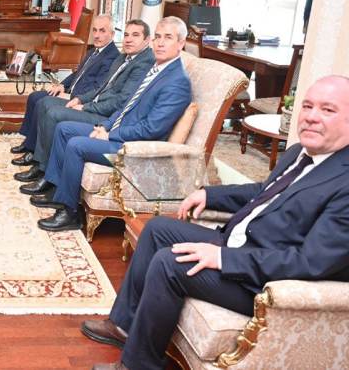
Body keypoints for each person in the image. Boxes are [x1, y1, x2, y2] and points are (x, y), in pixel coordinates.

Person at [84, 75, 349, 370]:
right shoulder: (299, 153)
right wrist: (209, 195)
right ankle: (123, 326)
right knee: (158, 229)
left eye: (328, 110)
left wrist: (223, 257)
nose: (311, 116)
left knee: (170, 263)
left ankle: (138, 365)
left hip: (262, 280)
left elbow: (310, 262)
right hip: (240, 244)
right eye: (308, 106)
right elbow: (264, 192)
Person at [25, 17, 192, 232]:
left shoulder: (177, 81)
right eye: (158, 37)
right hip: (119, 131)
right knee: (64, 129)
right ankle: (57, 191)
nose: (160, 43)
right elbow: (127, 105)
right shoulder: (157, 69)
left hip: (135, 147)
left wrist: (111, 135)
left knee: (76, 145)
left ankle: (70, 213)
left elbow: (152, 129)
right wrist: (106, 125)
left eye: (168, 38)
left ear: (181, 43)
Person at [14, 19, 155, 183]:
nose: (129, 39)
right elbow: (101, 87)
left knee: (53, 114)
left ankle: (43, 170)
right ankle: (37, 158)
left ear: (147, 40)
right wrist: (79, 99)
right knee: (44, 103)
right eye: (126, 35)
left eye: (135, 35)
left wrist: (86, 106)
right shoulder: (123, 58)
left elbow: (120, 102)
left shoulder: (143, 62)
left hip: (105, 116)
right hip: (93, 102)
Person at [11, 15, 120, 167]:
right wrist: (62, 85)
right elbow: (77, 73)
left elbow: (97, 88)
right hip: (70, 91)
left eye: (102, 31)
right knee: (34, 96)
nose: (96, 35)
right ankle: (29, 143)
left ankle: (34, 152)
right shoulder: (94, 51)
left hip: (80, 99)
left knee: (43, 102)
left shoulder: (112, 57)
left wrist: (71, 96)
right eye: (94, 30)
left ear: (112, 34)